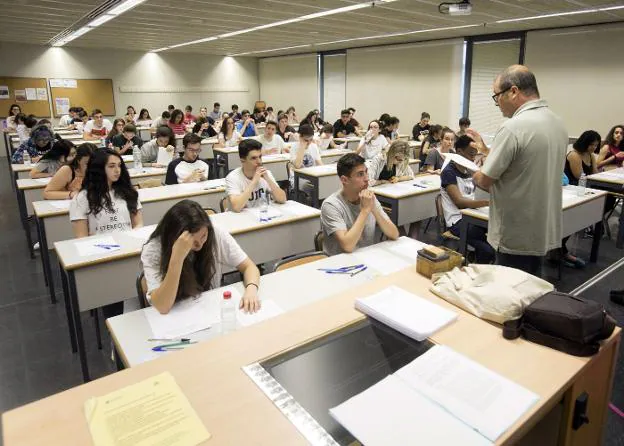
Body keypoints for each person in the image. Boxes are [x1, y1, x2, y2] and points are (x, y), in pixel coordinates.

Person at [471, 65, 568, 275]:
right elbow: (523, 166)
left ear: (513, 91)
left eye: (496, 96)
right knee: (532, 285)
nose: (496, 103)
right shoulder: (557, 123)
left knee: (511, 291)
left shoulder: (513, 127)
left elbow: (485, 180)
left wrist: (475, 172)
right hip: (541, 226)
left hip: (515, 229)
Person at [140, 200, 261, 315]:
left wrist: (251, 289)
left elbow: (249, 267)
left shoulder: (216, 233)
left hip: (209, 310)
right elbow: (162, 306)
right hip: (175, 317)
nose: (199, 245)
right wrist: (177, 258)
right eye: (192, 241)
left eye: (203, 236)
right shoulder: (154, 249)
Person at [70, 148, 143, 318]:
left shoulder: (128, 193)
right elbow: (81, 238)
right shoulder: (82, 199)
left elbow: (138, 223)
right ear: (99, 168)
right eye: (111, 166)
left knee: (139, 301)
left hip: (130, 252)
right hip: (103, 258)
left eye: (119, 165)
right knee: (115, 306)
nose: (117, 170)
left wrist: (131, 241)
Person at [321, 153, 399, 255]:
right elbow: (347, 246)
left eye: (366, 172)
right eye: (360, 174)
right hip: (341, 264)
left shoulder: (369, 198)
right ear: (344, 180)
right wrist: (365, 210)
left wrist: (374, 209)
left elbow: (394, 234)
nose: (367, 178)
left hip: (366, 258)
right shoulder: (331, 205)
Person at [440, 135, 495, 264]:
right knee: (488, 250)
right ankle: (477, 271)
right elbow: (459, 203)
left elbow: (487, 187)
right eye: (471, 154)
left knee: (496, 239)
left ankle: (475, 259)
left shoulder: (469, 171)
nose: (473, 158)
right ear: (459, 152)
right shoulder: (448, 172)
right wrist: (487, 203)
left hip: (471, 217)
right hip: (457, 221)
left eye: (475, 155)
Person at [225, 139, 287, 211]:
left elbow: (282, 199)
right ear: (242, 160)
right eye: (253, 158)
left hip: (260, 217)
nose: (259, 162)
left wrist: (267, 179)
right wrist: (254, 181)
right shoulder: (233, 177)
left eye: (260, 157)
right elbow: (237, 207)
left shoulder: (266, 173)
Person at [289, 124, 322, 190]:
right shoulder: (294, 147)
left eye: (311, 139)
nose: (309, 142)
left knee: (322, 185)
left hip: (312, 176)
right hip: (298, 178)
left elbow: (320, 164)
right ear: (300, 137)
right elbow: (297, 165)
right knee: (313, 188)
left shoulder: (314, 146)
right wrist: (302, 147)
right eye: (306, 140)